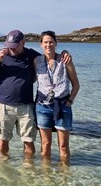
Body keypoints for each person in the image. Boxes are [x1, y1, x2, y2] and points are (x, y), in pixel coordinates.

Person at [0, 30, 70, 160]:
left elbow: (49, 56)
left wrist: (65, 53)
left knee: (29, 141)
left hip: (26, 106)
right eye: (9, 45)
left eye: (14, 45)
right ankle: (3, 165)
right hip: (3, 106)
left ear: (23, 43)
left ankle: (28, 170)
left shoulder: (31, 55)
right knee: (3, 139)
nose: (11, 48)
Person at [34, 30, 80, 164]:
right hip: (42, 107)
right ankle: (46, 175)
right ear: (41, 44)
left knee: (63, 146)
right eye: (46, 42)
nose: (49, 45)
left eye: (51, 42)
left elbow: (76, 85)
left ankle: (64, 177)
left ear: (56, 43)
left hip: (62, 106)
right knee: (45, 145)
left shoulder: (65, 61)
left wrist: (70, 101)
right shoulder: (36, 61)